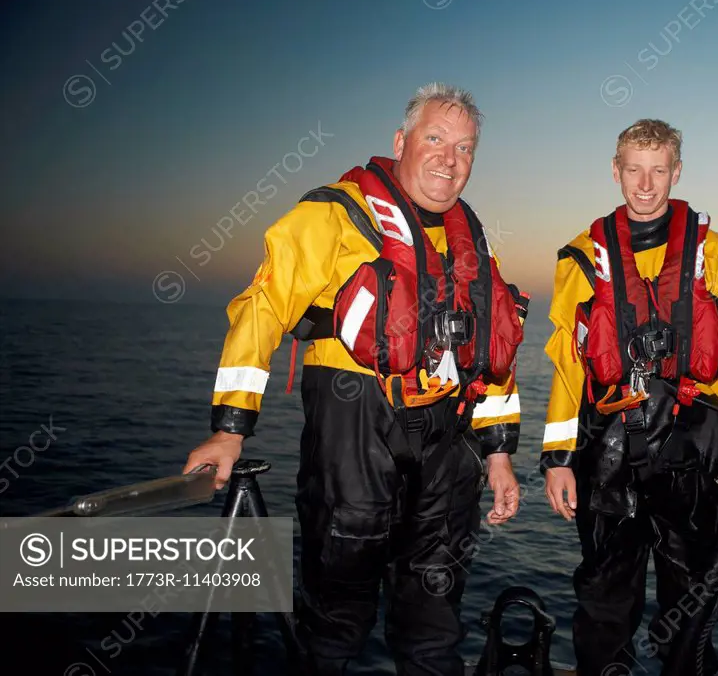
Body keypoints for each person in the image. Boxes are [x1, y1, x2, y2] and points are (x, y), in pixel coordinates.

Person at [183, 83, 528, 675]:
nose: (450, 158)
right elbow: (262, 307)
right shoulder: (333, 212)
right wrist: (230, 428)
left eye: (466, 147)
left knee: (434, 623)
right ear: (401, 142)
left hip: (450, 448)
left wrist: (498, 455)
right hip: (353, 432)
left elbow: (493, 348)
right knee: (335, 621)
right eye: (436, 139)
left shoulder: (472, 241)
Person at [540, 118, 718, 675]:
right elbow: (568, 365)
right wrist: (557, 458)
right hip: (606, 453)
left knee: (691, 599)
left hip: (697, 451)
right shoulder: (579, 257)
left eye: (658, 171)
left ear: (676, 172)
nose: (646, 185)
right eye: (634, 171)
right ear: (616, 171)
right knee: (603, 597)